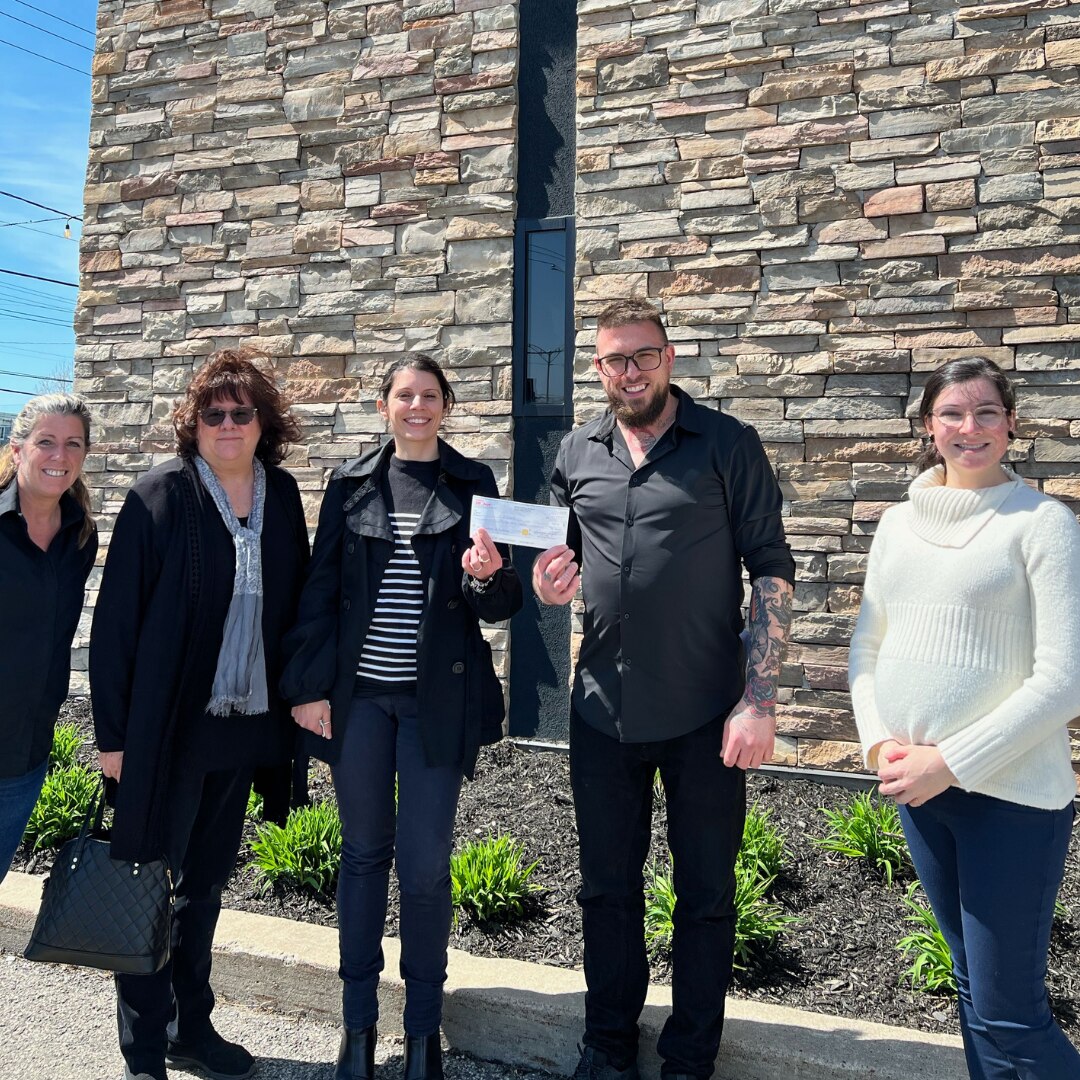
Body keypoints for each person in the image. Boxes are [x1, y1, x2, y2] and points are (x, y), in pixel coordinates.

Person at [533, 299, 795, 1080]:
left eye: (644, 355)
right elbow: (559, 562)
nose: (631, 371)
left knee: (705, 895)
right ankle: (607, 1044)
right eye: (616, 359)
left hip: (706, 710)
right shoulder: (576, 452)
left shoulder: (726, 444)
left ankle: (689, 1057)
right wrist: (549, 584)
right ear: (598, 367)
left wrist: (760, 699)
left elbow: (771, 571)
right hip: (602, 709)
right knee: (605, 891)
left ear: (670, 357)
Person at [281, 354, 523, 1080]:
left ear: (446, 405)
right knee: (361, 857)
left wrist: (488, 578)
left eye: (429, 395)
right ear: (384, 406)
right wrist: (307, 686)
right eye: (403, 395)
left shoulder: (475, 483)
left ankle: (423, 1035)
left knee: (423, 867)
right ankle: (356, 1030)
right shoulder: (351, 481)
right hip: (357, 703)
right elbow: (320, 591)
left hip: (434, 705)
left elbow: (500, 604)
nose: (416, 406)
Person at [849, 356, 1080, 1079]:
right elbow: (867, 644)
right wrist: (877, 742)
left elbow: (1064, 682)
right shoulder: (895, 524)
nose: (969, 428)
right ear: (928, 426)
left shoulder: (1043, 524)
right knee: (974, 991)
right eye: (952, 413)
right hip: (921, 796)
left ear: (1011, 422)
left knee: (1012, 1014)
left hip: (1010, 804)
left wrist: (946, 762)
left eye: (986, 412)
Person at [90, 349, 310, 1080]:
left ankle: (191, 1027)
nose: (226, 423)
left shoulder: (282, 499)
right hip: (166, 736)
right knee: (149, 889)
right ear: (195, 423)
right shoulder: (160, 497)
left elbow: (297, 611)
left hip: (243, 734)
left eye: (240, 411)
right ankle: (144, 1050)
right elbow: (116, 626)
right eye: (212, 412)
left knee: (205, 889)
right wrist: (113, 739)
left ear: (262, 423)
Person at [0, 393, 96, 883]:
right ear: (17, 449)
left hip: (24, 754)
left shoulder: (80, 534)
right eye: (46, 442)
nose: (60, 456)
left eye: (73, 443)